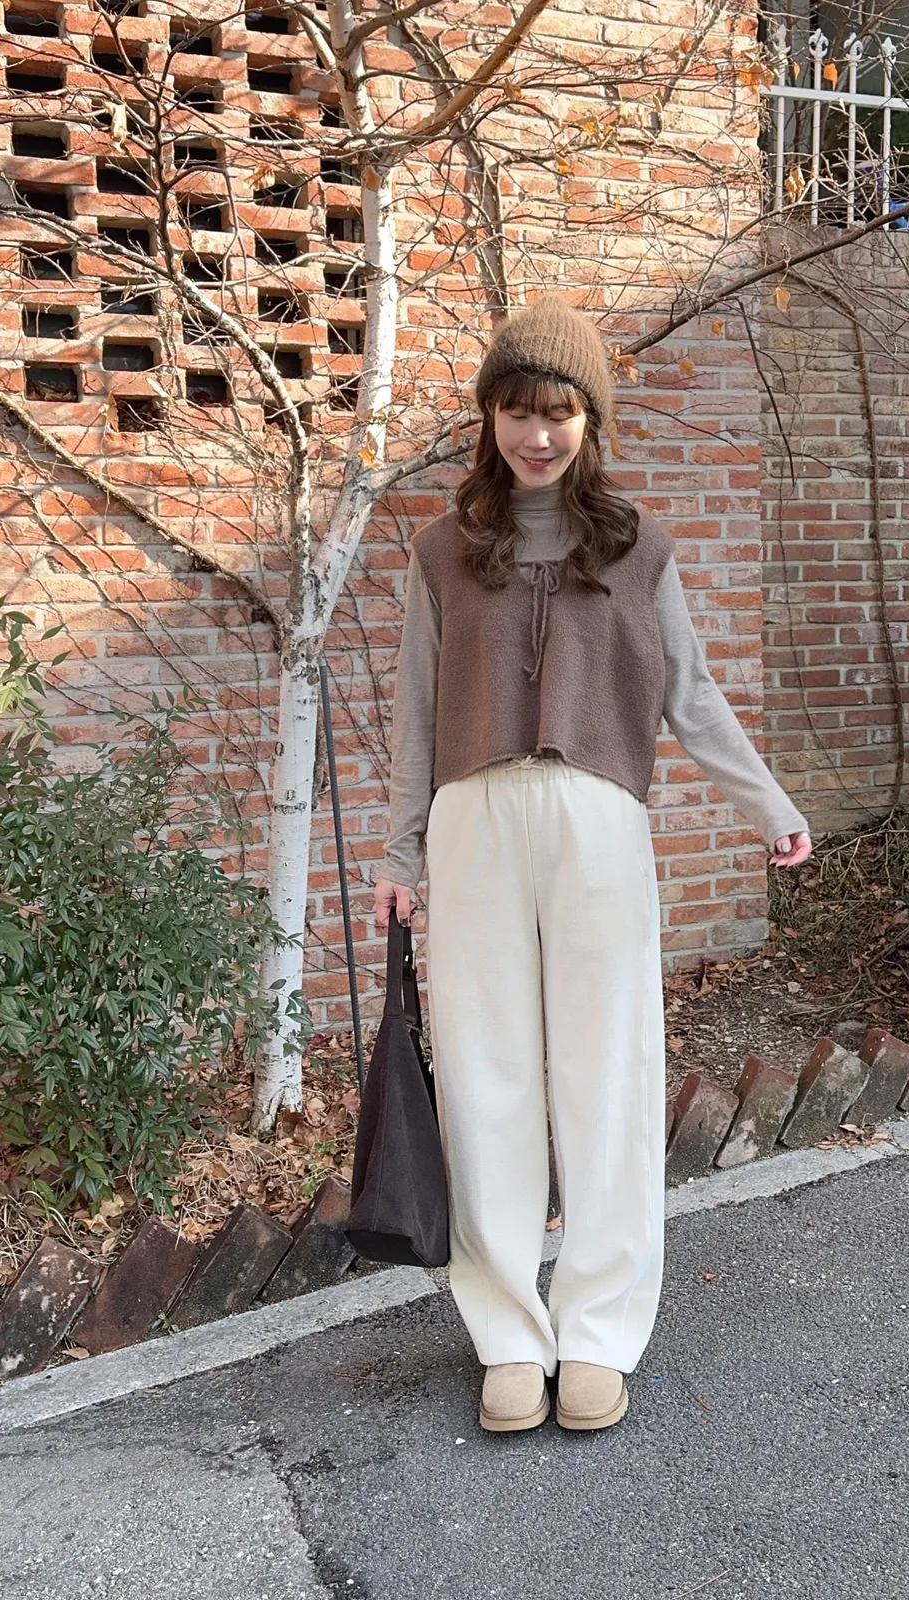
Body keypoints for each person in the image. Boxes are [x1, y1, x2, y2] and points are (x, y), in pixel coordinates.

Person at [372, 295, 812, 1435]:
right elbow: (415, 716)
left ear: (589, 421)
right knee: (486, 1080)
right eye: (518, 411)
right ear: (490, 419)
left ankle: (599, 1332)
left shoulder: (636, 546)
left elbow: (691, 693)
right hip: (473, 823)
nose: (538, 434)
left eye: (559, 412)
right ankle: (509, 1335)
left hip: (599, 823)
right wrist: (400, 849)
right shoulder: (440, 552)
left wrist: (767, 803)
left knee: (608, 1075)